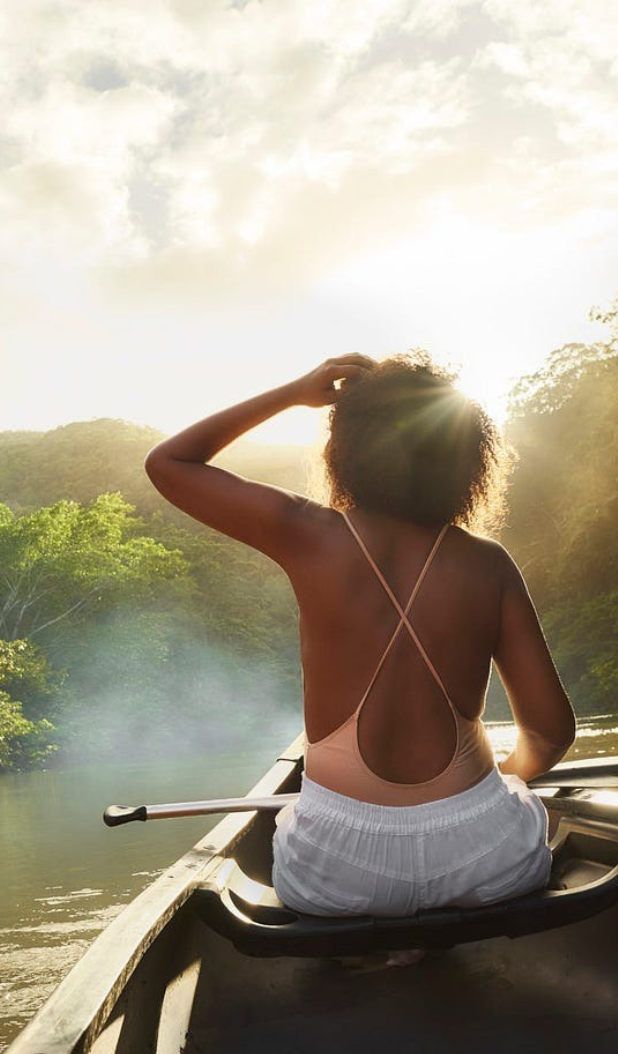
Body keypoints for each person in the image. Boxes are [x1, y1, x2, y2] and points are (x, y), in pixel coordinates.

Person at [144, 353, 576, 919]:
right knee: (513, 804)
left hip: (336, 875)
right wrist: (502, 778)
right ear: (467, 461)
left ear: (347, 450)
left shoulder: (307, 533)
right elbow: (549, 735)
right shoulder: (488, 564)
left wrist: (295, 391)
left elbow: (169, 462)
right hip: (487, 864)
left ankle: (382, 950)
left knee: (332, 867)